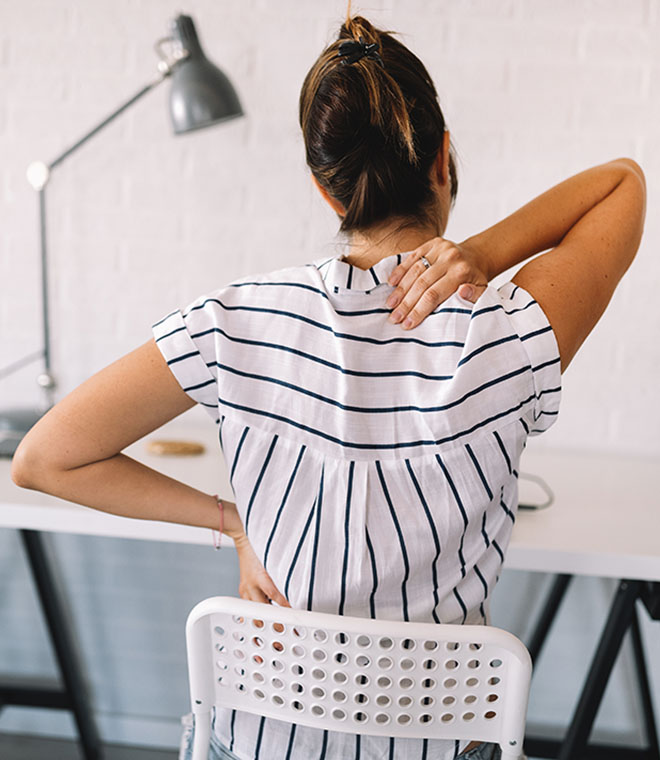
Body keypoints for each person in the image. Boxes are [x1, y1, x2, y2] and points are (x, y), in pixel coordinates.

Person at [12, 9, 645, 760]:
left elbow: (44, 458)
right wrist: (481, 252)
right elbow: (623, 184)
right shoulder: (505, 334)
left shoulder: (238, 321)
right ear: (443, 160)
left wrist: (231, 521)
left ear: (326, 190)